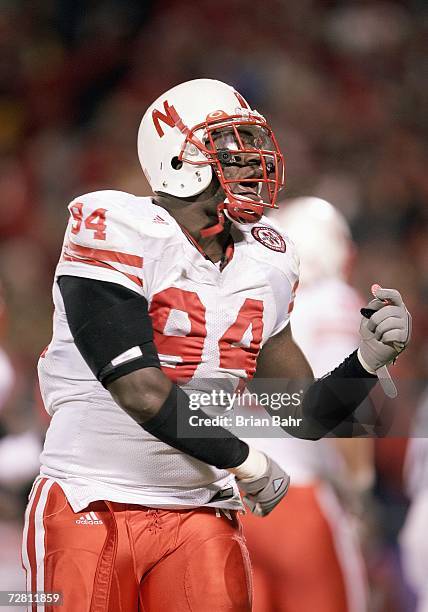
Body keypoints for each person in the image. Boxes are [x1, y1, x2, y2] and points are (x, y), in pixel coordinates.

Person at [23, 79, 411, 611]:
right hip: (93, 498)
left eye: (252, 147)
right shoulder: (116, 225)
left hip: (200, 510)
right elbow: (138, 388)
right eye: (231, 148)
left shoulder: (267, 259)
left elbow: (302, 413)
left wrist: (365, 360)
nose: (253, 166)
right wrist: (247, 461)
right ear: (178, 160)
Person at [242, 197, 373, 612]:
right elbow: (342, 405)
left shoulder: (248, 298)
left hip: (234, 497)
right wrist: (359, 485)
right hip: (298, 497)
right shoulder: (330, 300)